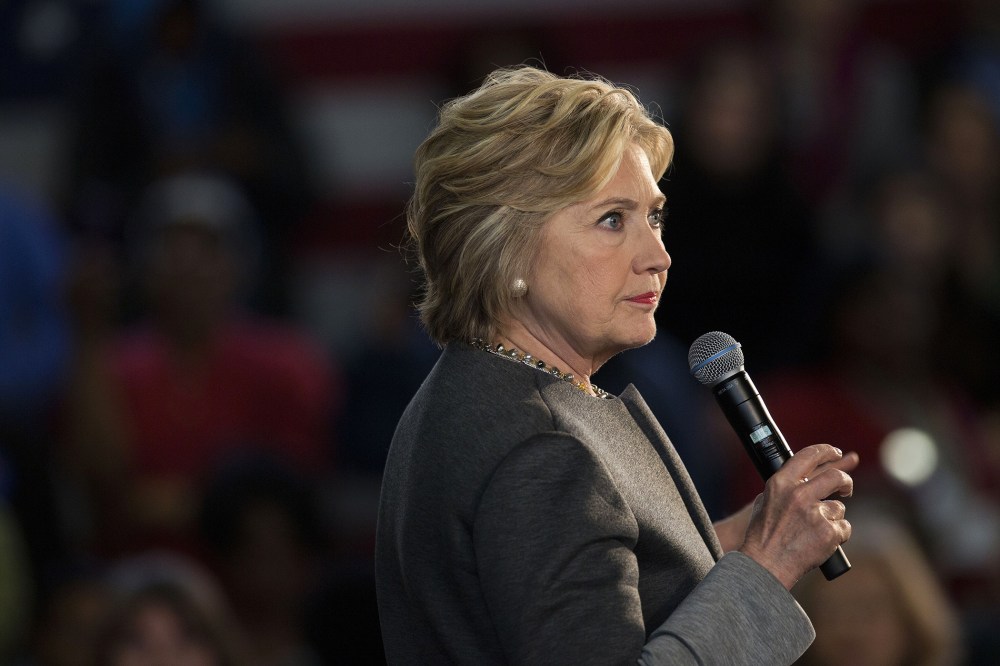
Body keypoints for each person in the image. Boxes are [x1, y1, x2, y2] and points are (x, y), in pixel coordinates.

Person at [375, 66, 858, 665]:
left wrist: (738, 540)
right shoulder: (542, 450)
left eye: (653, 216)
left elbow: (605, 582)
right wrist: (767, 567)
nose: (658, 255)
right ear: (505, 247)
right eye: (612, 219)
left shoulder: (482, 389)